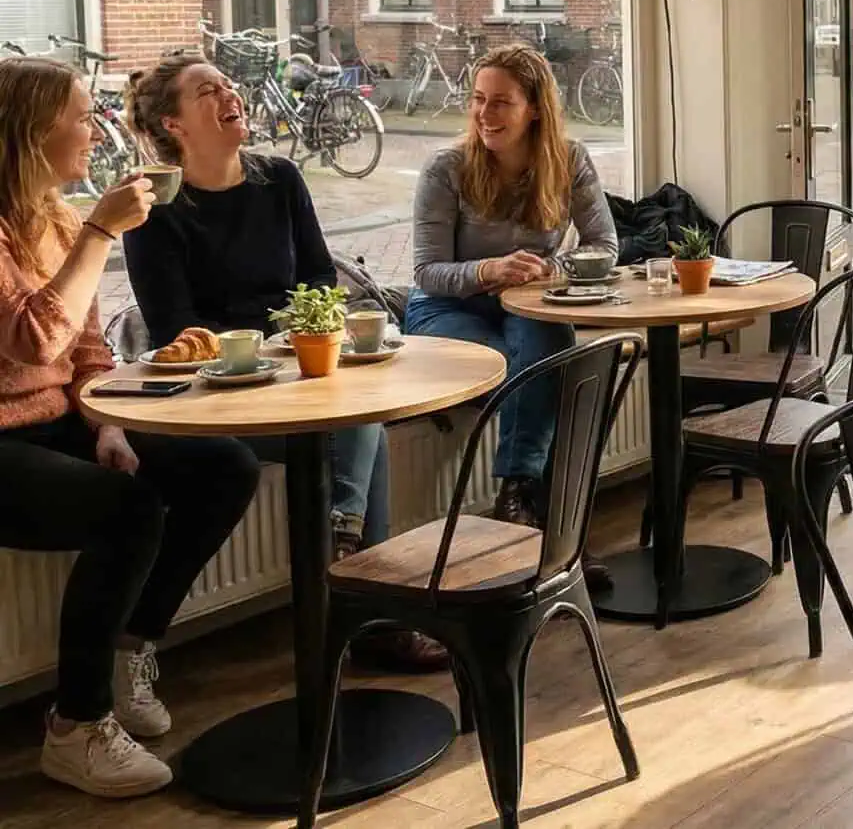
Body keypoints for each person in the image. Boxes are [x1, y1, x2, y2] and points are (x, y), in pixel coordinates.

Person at [118, 54, 448, 671]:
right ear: (173, 124)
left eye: (227, 83)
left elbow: (319, 275)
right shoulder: (156, 213)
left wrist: (307, 325)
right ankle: (361, 587)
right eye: (207, 90)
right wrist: (273, 344)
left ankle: (350, 560)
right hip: (223, 395)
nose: (229, 93)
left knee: (360, 417)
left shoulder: (280, 179)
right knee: (361, 425)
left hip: (298, 370)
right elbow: (174, 331)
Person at [0, 58, 262, 797]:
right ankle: (75, 727)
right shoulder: (57, 227)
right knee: (130, 509)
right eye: (83, 118)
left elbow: (85, 352)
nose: (97, 131)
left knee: (224, 467)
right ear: (32, 133)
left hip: (58, 420)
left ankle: (131, 645)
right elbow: (33, 341)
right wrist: (99, 234)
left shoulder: (56, 217)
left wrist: (106, 424)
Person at [405, 44, 617, 586]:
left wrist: (550, 267)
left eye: (501, 102)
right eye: (478, 99)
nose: (484, 113)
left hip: (527, 301)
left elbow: (604, 245)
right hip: (445, 309)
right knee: (527, 373)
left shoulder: (569, 160)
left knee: (556, 360)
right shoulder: (447, 169)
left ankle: (524, 508)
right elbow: (427, 272)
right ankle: (547, 527)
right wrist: (490, 270)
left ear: (535, 108)